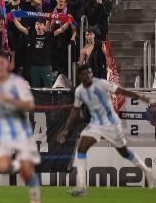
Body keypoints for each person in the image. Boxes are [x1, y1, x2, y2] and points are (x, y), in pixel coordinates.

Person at [57, 64, 155, 196]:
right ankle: (81, 187)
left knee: (124, 153)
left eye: (90, 73)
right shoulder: (80, 91)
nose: (89, 75)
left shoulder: (101, 83)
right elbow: (75, 111)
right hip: (95, 125)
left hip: (111, 124)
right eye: (86, 74)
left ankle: (146, 170)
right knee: (81, 149)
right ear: (81, 77)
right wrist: (65, 130)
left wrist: (140, 96)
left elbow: (121, 91)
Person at [0, 50, 41, 203]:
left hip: (21, 130)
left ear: (7, 64)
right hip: (3, 132)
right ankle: (18, 164)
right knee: (2, 166)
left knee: (28, 168)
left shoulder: (18, 83)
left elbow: (29, 106)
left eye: (1, 62)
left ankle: (34, 200)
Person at [13, 17, 71, 87]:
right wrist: (14, 18)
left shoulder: (48, 35)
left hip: (46, 66)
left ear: (44, 26)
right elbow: (20, 27)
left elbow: (61, 30)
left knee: (49, 87)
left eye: (40, 24)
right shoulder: (32, 34)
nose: (38, 26)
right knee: (35, 88)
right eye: (37, 24)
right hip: (34, 67)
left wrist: (68, 21)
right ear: (35, 26)